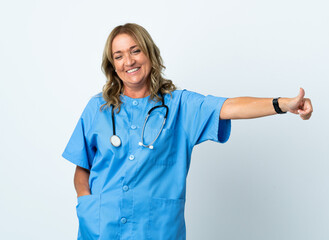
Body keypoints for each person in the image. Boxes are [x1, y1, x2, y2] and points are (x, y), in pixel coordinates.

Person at [62, 23, 313, 240]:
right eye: (118, 56)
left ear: (149, 53)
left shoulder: (180, 105)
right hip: (101, 229)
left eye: (135, 50)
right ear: (112, 65)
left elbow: (230, 106)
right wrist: (87, 205)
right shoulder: (98, 108)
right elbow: (82, 166)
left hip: (157, 230)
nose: (128, 61)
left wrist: (282, 104)